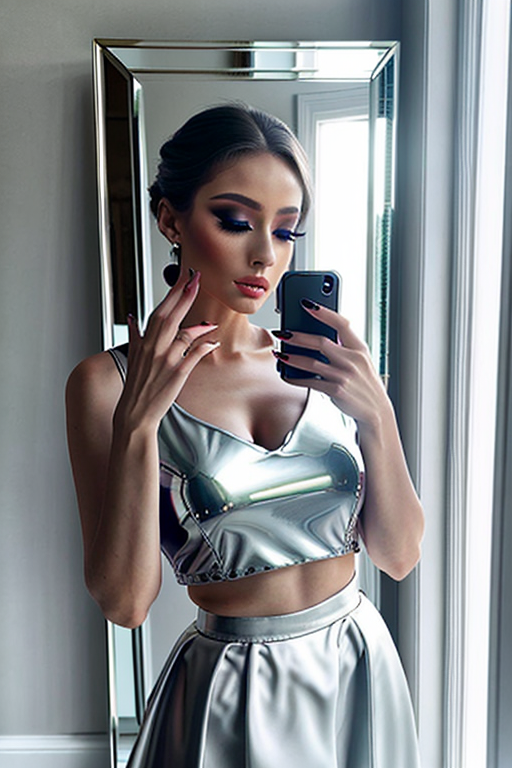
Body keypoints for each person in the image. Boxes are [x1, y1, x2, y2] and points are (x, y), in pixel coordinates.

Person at [66, 103, 424, 767]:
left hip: (357, 667)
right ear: (171, 220)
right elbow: (126, 603)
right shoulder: (107, 383)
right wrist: (139, 424)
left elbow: (399, 556)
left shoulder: (324, 365)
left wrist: (377, 415)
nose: (265, 254)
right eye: (235, 221)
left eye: (287, 231)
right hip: (232, 691)